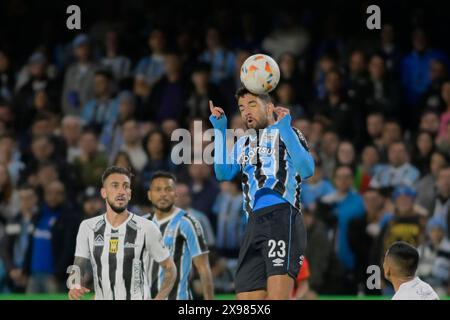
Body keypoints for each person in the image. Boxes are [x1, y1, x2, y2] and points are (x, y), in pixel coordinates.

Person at [209, 86, 314, 300]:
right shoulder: (242, 143)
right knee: (246, 300)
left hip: (282, 216)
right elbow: (223, 173)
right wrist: (220, 130)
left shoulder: (288, 132)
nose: (246, 111)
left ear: (269, 107)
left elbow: (307, 169)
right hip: (253, 223)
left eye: (252, 104)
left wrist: (285, 127)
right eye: (241, 107)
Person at [68, 166, 176, 300]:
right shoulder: (87, 226)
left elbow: (170, 268)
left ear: (130, 194)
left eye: (125, 186)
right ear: (104, 193)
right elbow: (78, 263)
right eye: (115, 186)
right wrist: (74, 284)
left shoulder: (146, 227)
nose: (121, 191)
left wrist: (159, 298)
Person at [144, 171, 214, 300]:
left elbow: (203, 268)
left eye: (168, 189)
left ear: (175, 195)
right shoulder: (142, 223)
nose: (163, 194)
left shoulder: (187, 223)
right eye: (158, 189)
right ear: (149, 195)